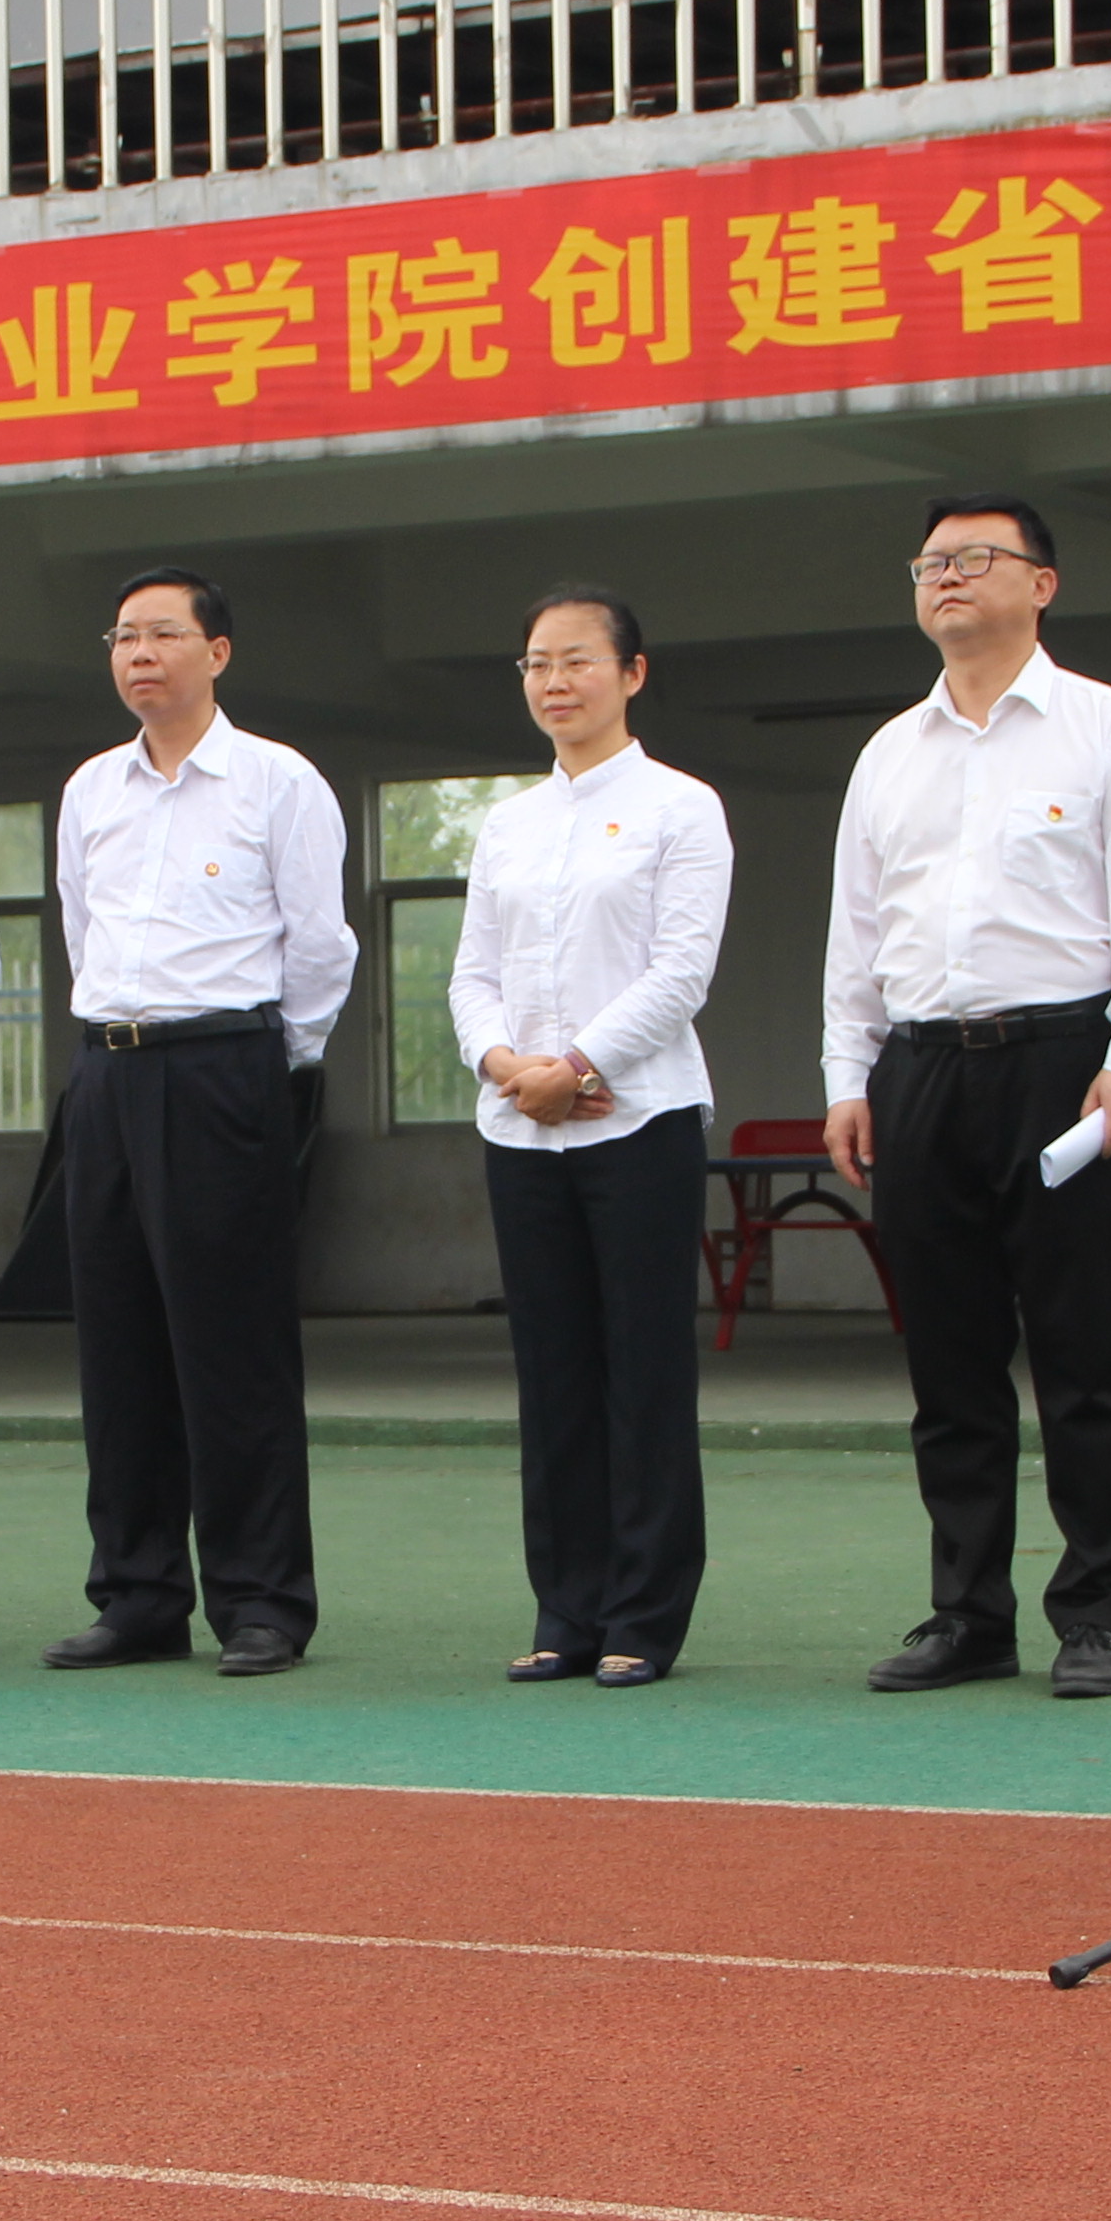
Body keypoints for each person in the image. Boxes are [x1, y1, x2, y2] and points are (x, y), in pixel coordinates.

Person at [820, 494, 1111, 1702]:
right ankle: (967, 1614)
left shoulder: (1107, 729)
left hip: (1064, 1065)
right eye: (930, 561)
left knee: (1083, 1355)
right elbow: (856, 935)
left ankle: (1093, 1611)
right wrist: (848, 1077)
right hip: (921, 1070)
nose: (946, 576)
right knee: (950, 1363)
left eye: (975, 558)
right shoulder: (890, 752)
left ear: (1042, 584)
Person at [46, 569, 356, 1676]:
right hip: (107, 1074)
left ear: (217, 653)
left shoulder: (277, 781)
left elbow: (320, 948)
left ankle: (261, 1599)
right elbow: (80, 933)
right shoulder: (92, 789)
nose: (140, 654)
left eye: (164, 634)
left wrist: (267, 1067)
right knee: (117, 1348)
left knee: (234, 1350)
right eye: (123, 636)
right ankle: (137, 1595)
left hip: (226, 1071)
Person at [450, 587, 730, 1689]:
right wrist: (508, 1069)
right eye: (536, 663)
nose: (554, 682)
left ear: (632, 673)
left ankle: (644, 1616)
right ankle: (565, 1608)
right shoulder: (507, 824)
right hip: (521, 1132)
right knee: (553, 1374)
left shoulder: (681, 808)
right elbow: (472, 974)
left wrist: (575, 1067)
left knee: (643, 1373)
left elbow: (681, 970)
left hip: (640, 1121)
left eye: (577, 660)